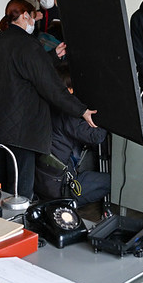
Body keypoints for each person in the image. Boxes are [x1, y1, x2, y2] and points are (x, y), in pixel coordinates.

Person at [0, 0, 97, 200]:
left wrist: (53, 56)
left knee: (5, 179)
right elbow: (52, 87)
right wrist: (82, 110)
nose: (34, 21)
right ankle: (21, 225)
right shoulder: (28, 45)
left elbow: (24, 68)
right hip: (21, 127)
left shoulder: (1, 38)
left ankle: (3, 224)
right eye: (33, 16)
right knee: (22, 186)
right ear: (25, 15)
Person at [35, 64, 110, 206]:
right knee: (110, 181)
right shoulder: (67, 112)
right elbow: (96, 136)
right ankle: (68, 203)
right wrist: (106, 116)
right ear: (69, 90)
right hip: (60, 185)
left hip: (41, 178)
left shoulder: (42, 103)